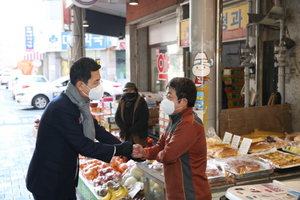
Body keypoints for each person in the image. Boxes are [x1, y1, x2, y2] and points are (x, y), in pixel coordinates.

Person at [26, 57, 133, 200]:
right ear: (81, 85)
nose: (99, 85)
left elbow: (96, 129)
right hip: (49, 182)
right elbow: (83, 146)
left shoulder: (78, 103)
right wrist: (120, 150)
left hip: (64, 179)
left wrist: (124, 147)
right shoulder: (62, 108)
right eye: (96, 82)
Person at [132, 77, 212, 200]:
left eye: (170, 96)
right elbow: (160, 146)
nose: (165, 99)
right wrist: (144, 152)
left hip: (190, 193)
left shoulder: (189, 124)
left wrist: (159, 154)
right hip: (177, 192)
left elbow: (168, 155)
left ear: (183, 101)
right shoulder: (176, 120)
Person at [115, 82, 149, 147]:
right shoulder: (122, 101)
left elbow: (144, 117)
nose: (129, 92)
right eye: (127, 90)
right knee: (126, 153)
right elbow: (117, 117)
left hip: (139, 134)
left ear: (135, 91)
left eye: (131, 90)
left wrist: (132, 129)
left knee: (138, 153)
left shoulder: (141, 101)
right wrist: (124, 128)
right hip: (125, 134)